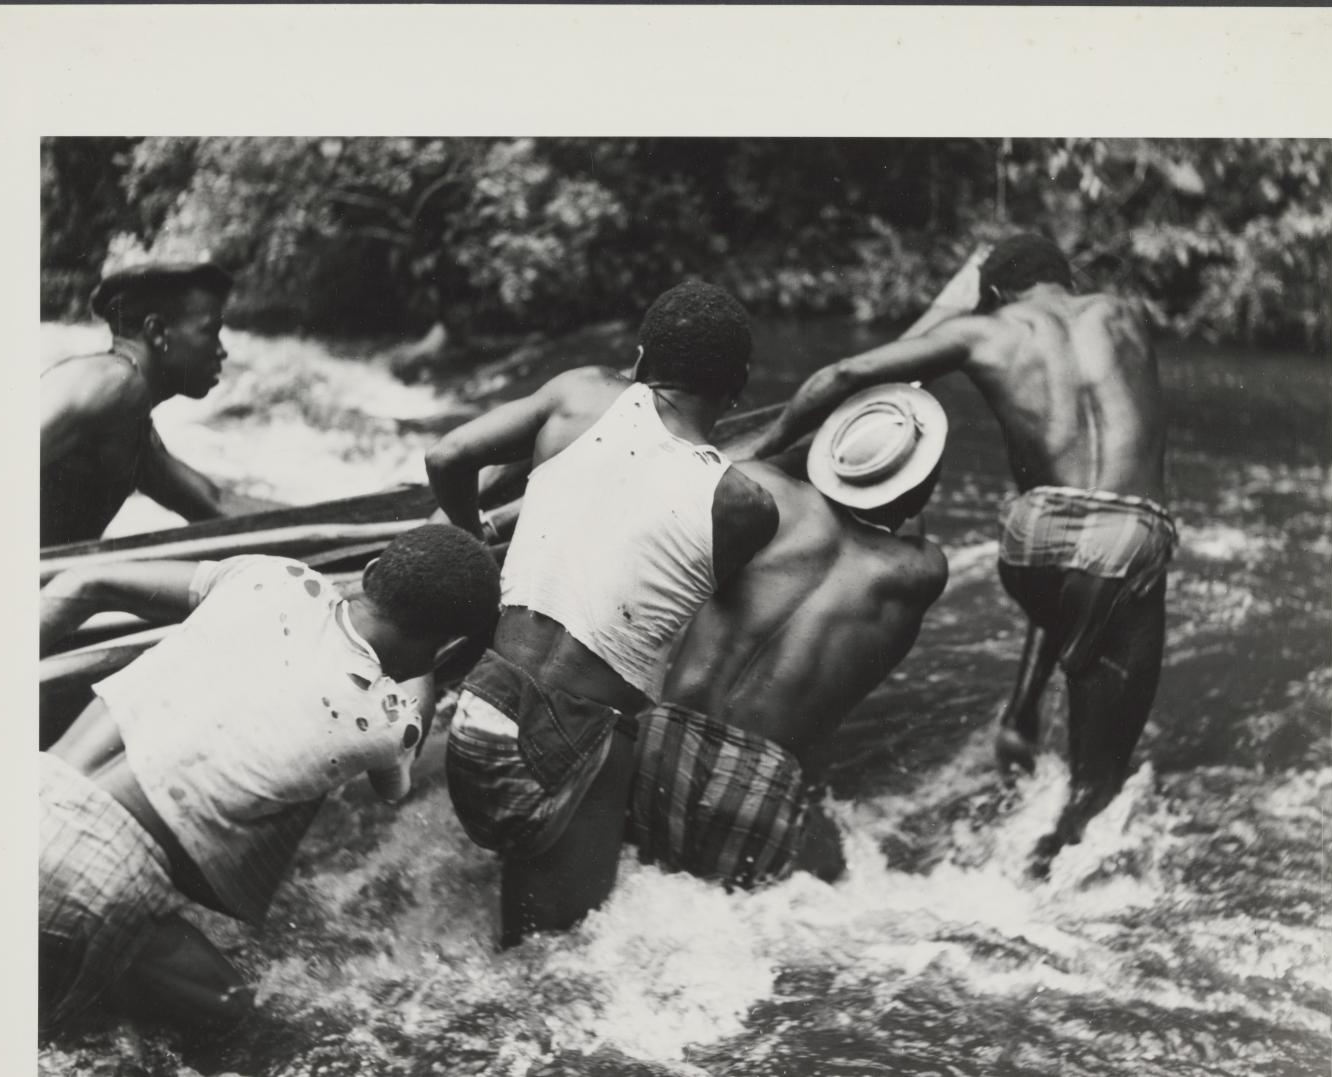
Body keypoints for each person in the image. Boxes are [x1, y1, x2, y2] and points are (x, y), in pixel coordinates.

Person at [743, 234, 1176, 877]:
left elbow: (843, 375)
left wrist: (767, 445)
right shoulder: (1125, 314)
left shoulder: (984, 331)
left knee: (1071, 582)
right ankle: (1047, 877)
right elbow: (1102, 511)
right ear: (1068, 280)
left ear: (997, 294)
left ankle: (1022, 716)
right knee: (1097, 783)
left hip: (1033, 539)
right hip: (1127, 542)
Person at [425, 279, 779, 945]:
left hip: (481, 716)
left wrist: (475, 540)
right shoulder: (743, 505)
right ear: (740, 388)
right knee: (552, 967)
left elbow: (447, 455)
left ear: (641, 361)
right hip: (572, 745)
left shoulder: (578, 394)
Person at [37, 524, 500, 1032]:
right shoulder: (387, 721)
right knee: (232, 1027)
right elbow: (396, 787)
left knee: (221, 1004)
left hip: (23, 793)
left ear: (370, 574)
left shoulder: (269, 576)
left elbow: (83, 582)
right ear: (443, 642)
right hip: (94, 875)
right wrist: (426, 670)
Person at [630, 383, 950, 888]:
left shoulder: (758, 488)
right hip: (761, 782)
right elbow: (914, 520)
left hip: (658, 740)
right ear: (918, 484)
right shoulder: (917, 571)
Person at [42, 262, 235, 547]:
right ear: (157, 332)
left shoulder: (128, 423)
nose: (222, 351)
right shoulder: (114, 384)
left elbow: (214, 505)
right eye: (210, 331)